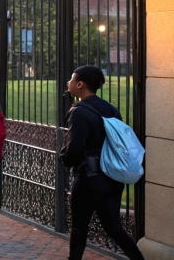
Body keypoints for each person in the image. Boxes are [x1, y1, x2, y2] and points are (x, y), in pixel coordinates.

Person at [59, 65, 145, 260]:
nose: (68, 83)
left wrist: (64, 159)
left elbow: (74, 147)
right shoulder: (110, 109)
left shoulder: (79, 112)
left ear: (80, 84)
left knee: (79, 227)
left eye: (72, 79)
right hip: (112, 176)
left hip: (88, 177)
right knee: (114, 228)